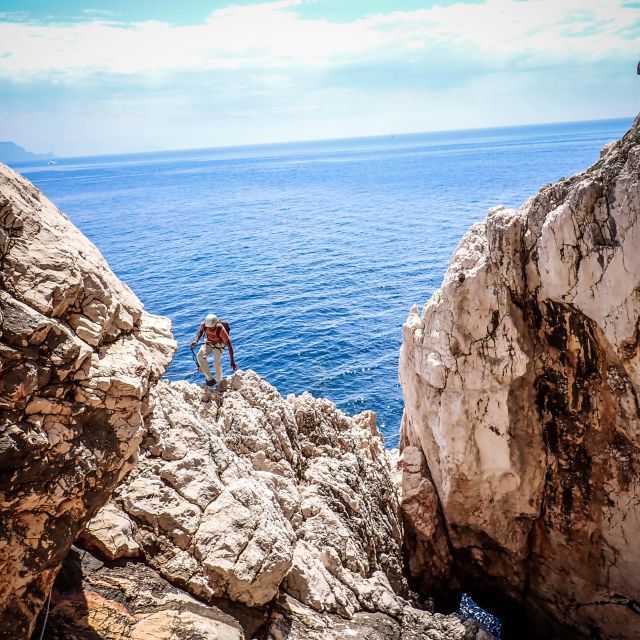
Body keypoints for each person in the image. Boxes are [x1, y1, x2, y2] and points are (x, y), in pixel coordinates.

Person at [190, 313, 237, 386]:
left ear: (216, 324)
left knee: (216, 363)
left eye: (212, 327)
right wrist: (196, 341)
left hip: (219, 345)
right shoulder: (204, 325)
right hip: (209, 342)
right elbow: (200, 332)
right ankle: (210, 380)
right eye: (209, 327)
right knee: (200, 356)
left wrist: (232, 362)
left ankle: (219, 382)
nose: (211, 329)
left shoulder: (221, 330)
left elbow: (229, 346)